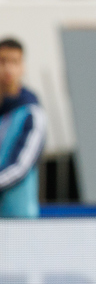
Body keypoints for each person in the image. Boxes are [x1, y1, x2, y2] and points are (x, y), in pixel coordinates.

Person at [0, 38, 46, 220]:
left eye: (14, 62)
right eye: (2, 61)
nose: (8, 69)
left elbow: (20, 166)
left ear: (22, 67)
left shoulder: (32, 113)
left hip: (18, 220)